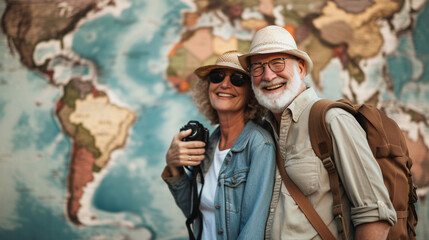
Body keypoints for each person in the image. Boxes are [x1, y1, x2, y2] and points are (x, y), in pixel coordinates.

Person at [238, 25, 397, 240]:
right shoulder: (264, 131)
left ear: (301, 69)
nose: (268, 75)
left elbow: (375, 215)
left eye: (278, 63)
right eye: (257, 67)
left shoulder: (332, 120)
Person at [162, 50, 276, 240]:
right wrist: (173, 165)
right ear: (208, 87)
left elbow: (254, 229)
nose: (224, 84)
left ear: (252, 92)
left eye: (238, 79)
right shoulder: (209, 144)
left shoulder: (260, 146)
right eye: (217, 77)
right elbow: (193, 211)